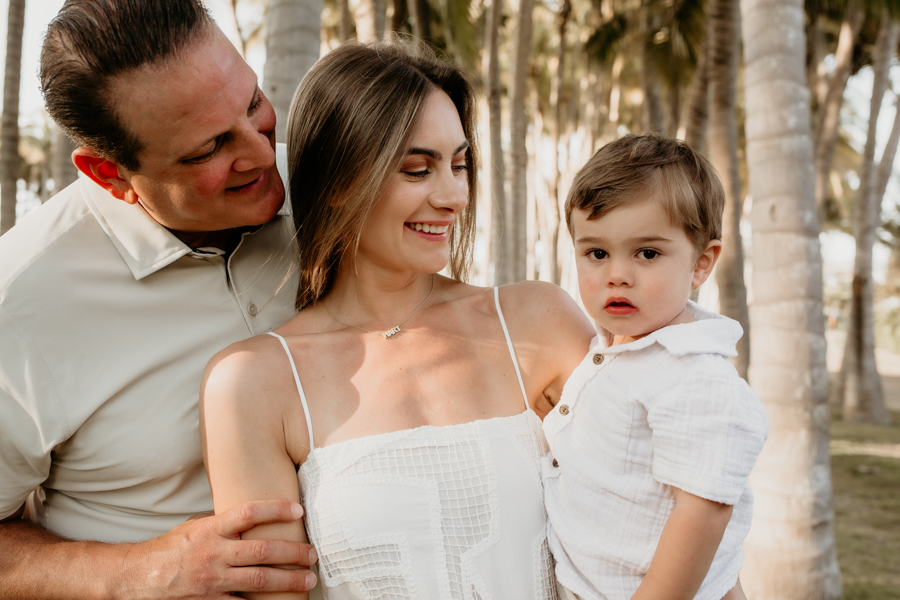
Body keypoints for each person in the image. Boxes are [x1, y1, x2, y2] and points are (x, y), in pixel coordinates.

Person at [200, 40, 597, 599]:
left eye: (459, 164)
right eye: (418, 170)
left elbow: (661, 512)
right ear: (338, 183)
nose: (455, 194)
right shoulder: (254, 381)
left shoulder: (537, 323)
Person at [0, 0, 319, 597]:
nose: (259, 153)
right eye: (208, 149)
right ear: (108, 174)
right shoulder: (17, 303)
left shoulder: (323, 192)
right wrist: (139, 571)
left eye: (253, 102)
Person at [542, 134, 769, 600]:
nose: (617, 274)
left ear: (701, 263)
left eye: (647, 253)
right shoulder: (615, 350)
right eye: (597, 253)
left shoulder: (695, 376)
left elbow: (703, 514)